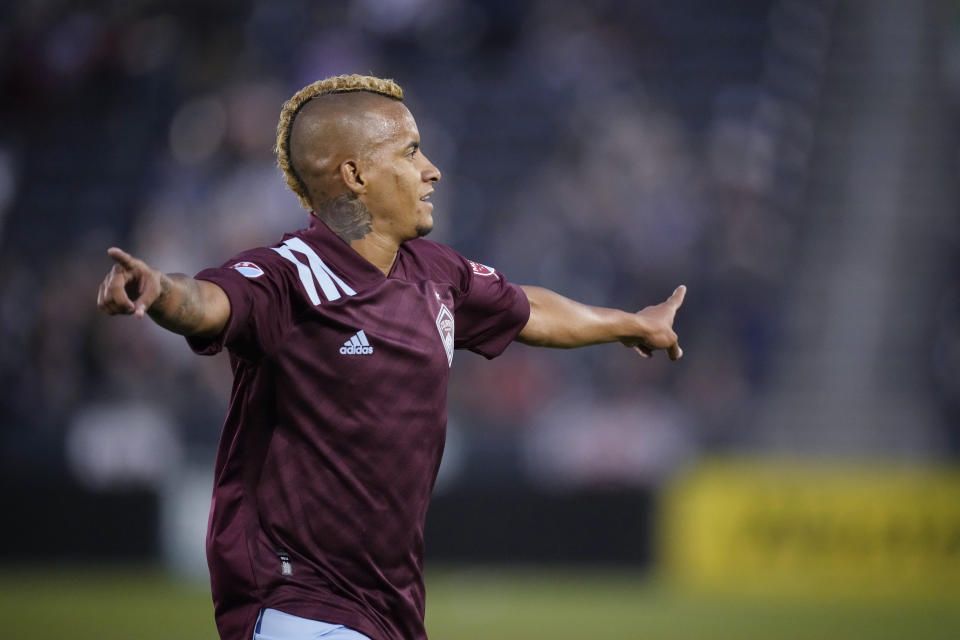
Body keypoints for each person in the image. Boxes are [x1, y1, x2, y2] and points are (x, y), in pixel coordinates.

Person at [96, 74, 686, 640]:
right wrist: (161, 290)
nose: (431, 171)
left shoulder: (435, 273)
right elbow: (210, 301)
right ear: (355, 173)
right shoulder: (288, 277)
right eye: (410, 152)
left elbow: (527, 310)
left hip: (388, 609)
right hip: (296, 602)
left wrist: (629, 323)